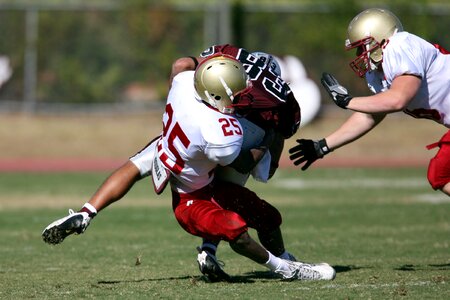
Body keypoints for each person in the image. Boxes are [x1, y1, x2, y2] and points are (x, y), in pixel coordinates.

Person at [42, 54, 336, 281]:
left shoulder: (184, 84)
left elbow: (182, 63)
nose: (240, 97)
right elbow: (249, 168)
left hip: (167, 147)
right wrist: (272, 133)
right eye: (234, 91)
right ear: (217, 95)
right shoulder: (221, 132)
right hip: (192, 199)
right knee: (234, 225)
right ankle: (286, 268)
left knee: (269, 217)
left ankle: (85, 213)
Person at [170, 45, 302, 281]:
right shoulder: (274, 107)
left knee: (218, 202)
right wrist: (268, 140)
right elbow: (266, 171)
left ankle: (209, 251)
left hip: (189, 148)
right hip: (226, 151)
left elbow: (182, 65)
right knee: (229, 201)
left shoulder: (220, 78)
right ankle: (283, 260)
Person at [289, 8, 450, 197]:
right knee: (440, 175)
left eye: (361, 46)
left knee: (441, 174)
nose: (358, 53)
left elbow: (398, 99)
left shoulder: (400, 45)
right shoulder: (378, 73)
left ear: (379, 38)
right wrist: (323, 145)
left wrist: (347, 101)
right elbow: (370, 114)